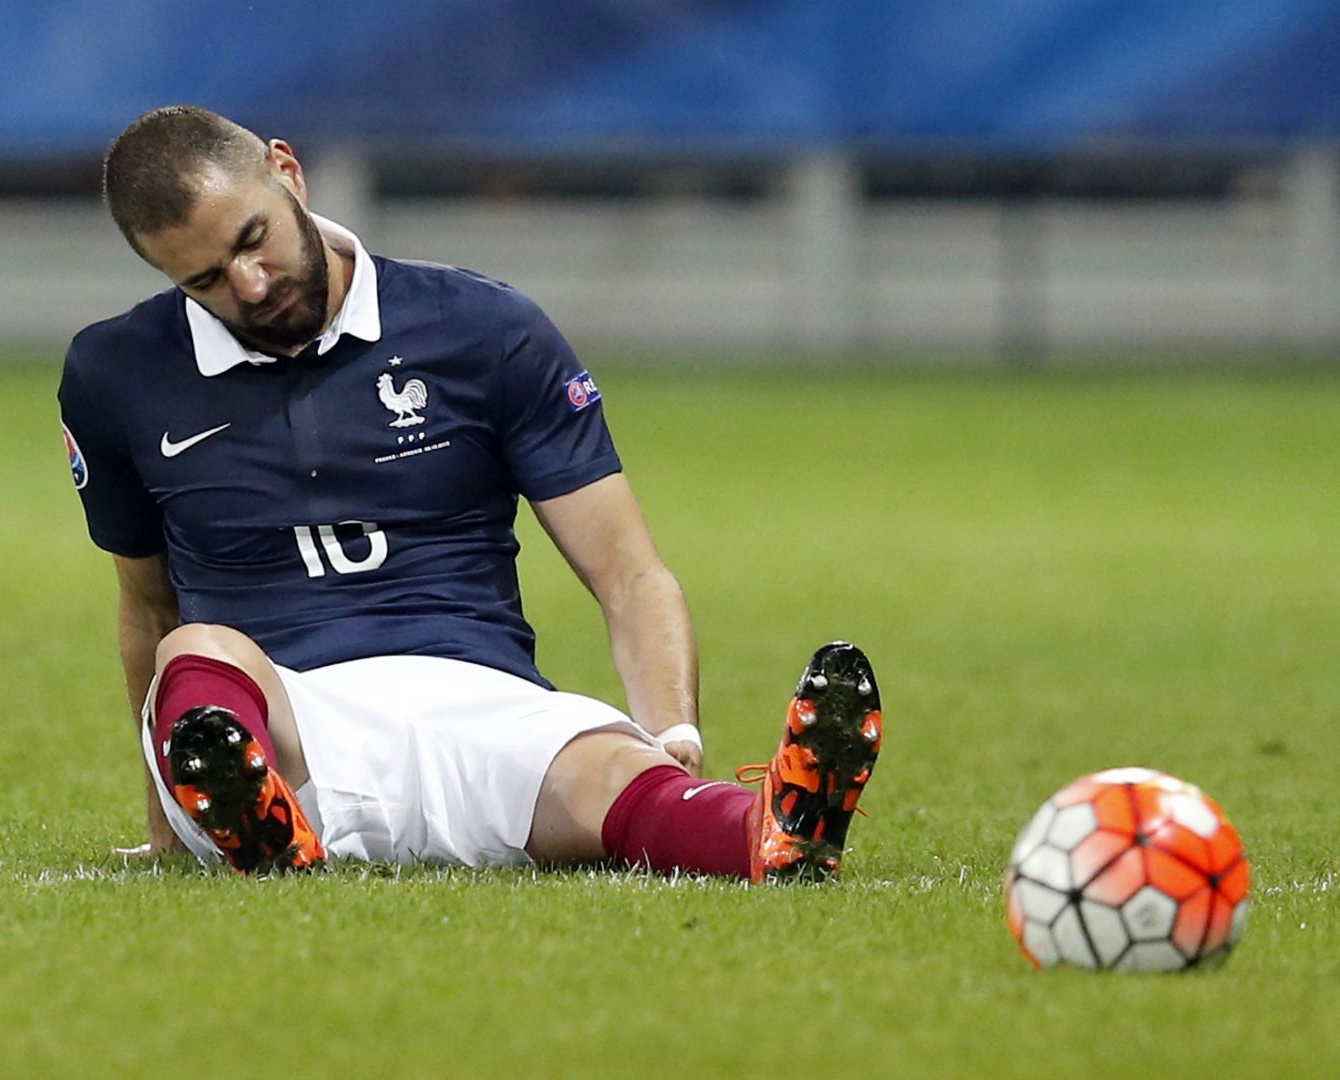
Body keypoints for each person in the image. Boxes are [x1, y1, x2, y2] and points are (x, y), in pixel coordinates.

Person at [59, 105, 882, 880]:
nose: (250, 285)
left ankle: (776, 829)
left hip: (481, 704)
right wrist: (167, 822)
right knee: (197, 653)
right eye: (206, 279)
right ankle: (253, 822)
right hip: (282, 726)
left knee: (616, 771)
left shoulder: (482, 328)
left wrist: (669, 730)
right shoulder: (116, 374)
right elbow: (149, 611)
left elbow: (629, 573)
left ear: (288, 173)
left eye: (254, 240)